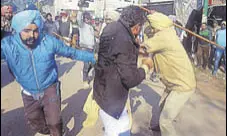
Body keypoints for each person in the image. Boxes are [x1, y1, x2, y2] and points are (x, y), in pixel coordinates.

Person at [1, 10, 96, 136]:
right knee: (35, 123)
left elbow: (72, 52)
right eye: (27, 31)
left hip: (50, 88)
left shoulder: (49, 42)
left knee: (54, 122)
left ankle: (57, 131)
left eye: (35, 30)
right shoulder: (8, 46)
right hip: (28, 92)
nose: (32, 35)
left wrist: (94, 57)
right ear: (18, 30)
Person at [83, 6, 152, 136]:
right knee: (121, 129)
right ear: (137, 26)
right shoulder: (125, 40)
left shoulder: (111, 27)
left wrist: (135, 48)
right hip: (112, 99)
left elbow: (114, 53)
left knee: (113, 129)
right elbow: (130, 79)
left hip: (101, 89)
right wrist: (146, 67)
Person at [142, 12, 196, 136]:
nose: (150, 30)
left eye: (151, 26)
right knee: (161, 105)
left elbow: (143, 49)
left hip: (182, 86)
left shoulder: (163, 37)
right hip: (173, 83)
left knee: (165, 120)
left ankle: (164, 127)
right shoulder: (167, 31)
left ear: (157, 26)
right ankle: (159, 128)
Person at [77, 10, 96, 89]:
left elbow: (93, 37)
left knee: (93, 64)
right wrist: (81, 10)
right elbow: (78, 18)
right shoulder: (82, 25)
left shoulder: (91, 27)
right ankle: (85, 81)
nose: (87, 20)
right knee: (86, 64)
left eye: (88, 18)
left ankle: (85, 73)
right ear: (84, 18)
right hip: (85, 48)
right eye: (86, 18)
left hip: (92, 48)